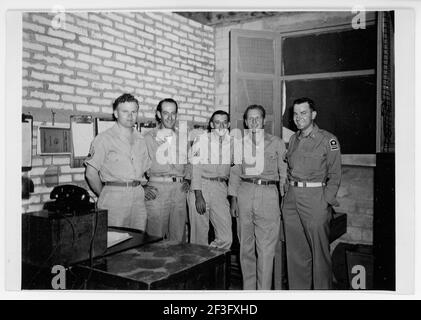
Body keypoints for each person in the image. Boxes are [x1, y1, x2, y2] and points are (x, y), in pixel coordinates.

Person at [282, 97, 342, 290]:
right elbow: (290, 169)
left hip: (315, 198)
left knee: (319, 255)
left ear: (313, 115)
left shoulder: (328, 140)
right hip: (292, 199)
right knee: (296, 254)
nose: (299, 117)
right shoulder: (292, 139)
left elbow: (335, 174)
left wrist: (325, 201)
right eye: (296, 114)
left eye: (304, 113)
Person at [229, 105, 287, 290]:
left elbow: (284, 173)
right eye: (250, 118)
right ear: (245, 122)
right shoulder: (239, 144)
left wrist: (283, 200)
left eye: (258, 118)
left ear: (264, 121)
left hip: (268, 194)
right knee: (245, 248)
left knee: (265, 250)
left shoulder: (276, 142)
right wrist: (233, 199)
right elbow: (235, 171)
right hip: (244, 192)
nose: (254, 121)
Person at [85, 93, 150, 230]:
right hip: (114, 196)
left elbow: (144, 171)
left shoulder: (141, 140)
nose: (130, 116)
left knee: (137, 242)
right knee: (114, 242)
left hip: (138, 197)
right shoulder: (104, 139)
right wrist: (103, 193)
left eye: (134, 111)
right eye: (125, 111)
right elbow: (91, 174)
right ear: (116, 113)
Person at [143, 98, 190, 241]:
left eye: (173, 113)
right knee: (154, 239)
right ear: (159, 114)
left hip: (179, 191)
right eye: (165, 113)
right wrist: (142, 186)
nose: (170, 117)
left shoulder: (183, 138)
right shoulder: (148, 137)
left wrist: (188, 178)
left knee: (178, 239)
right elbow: (136, 164)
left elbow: (189, 162)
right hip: (157, 190)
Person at [188, 110, 233, 250]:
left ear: (229, 124)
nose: (221, 126)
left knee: (226, 238)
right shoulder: (201, 140)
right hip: (201, 186)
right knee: (198, 239)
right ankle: (200, 267)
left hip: (220, 189)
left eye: (224, 122)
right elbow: (195, 167)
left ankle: (208, 260)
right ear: (212, 124)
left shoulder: (232, 143)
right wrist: (198, 195)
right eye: (217, 122)